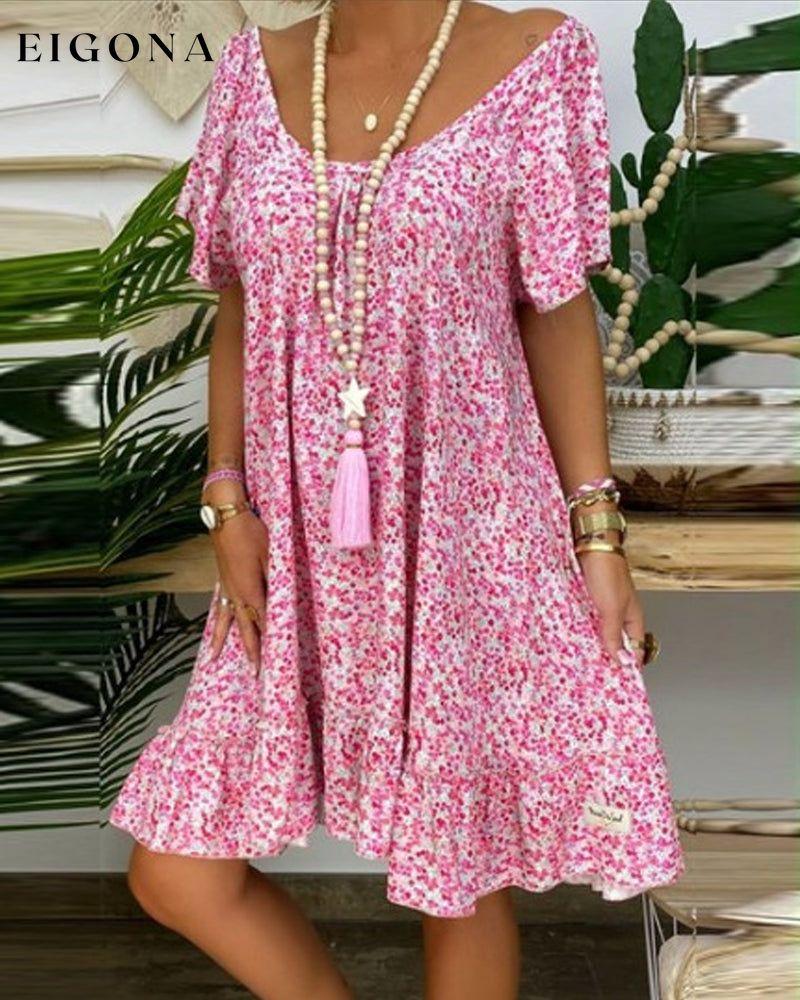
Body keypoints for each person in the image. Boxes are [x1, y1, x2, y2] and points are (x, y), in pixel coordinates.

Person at [109, 2, 685, 998]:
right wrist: (226, 497)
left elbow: (554, 311)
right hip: (294, 537)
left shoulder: (534, 55)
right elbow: (237, 302)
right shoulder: (256, 69)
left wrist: (596, 533)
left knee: (456, 872)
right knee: (177, 872)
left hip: (464, 530)